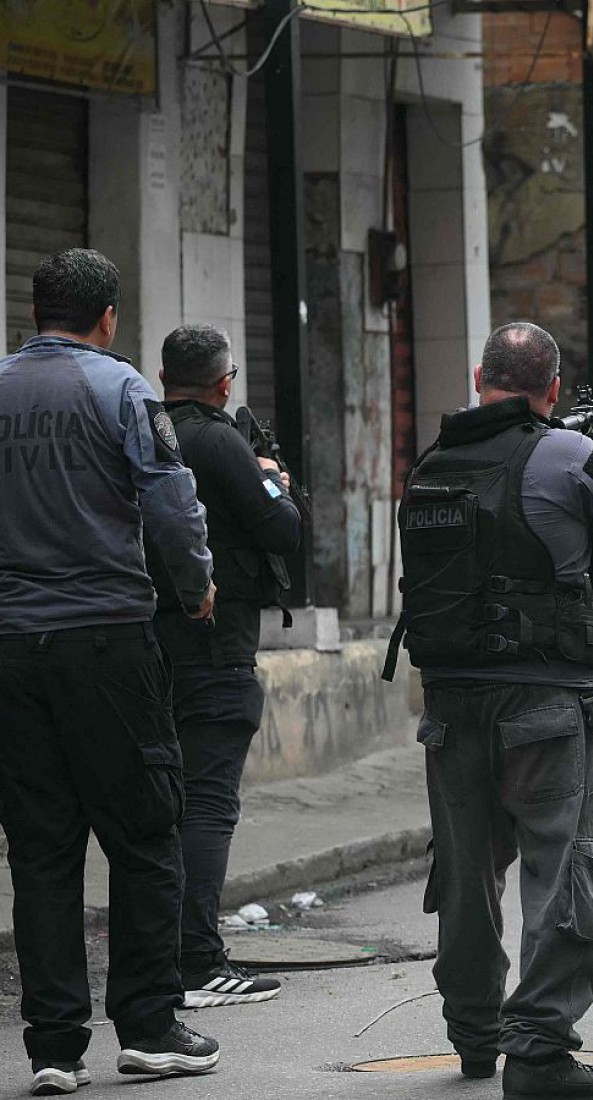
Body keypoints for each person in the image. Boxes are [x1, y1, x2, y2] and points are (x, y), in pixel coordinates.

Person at [387, 323, 593, 1100]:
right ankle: (537, 1051)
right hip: (544, 705)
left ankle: (474, 1036)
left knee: (468, 873)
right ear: (554, 388)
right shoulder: (570, 455)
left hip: (449, 706)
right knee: (566, 867)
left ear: (479, 379)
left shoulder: (430, 467)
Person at [0, 249, 221, 1095]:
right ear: (108, 317)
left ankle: (55, 1046)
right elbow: (170, 498)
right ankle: (150, 1023)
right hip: (107, 642)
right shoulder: (119, 387)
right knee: (144, 833)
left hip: (14, 651)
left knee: (42, 850)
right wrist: (196, 586)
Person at [147, 324, 302, 1008]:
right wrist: (272, 481)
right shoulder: (218, 439)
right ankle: (199, 961)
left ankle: (159, 955)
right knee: (208, 801)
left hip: (145, 645)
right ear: (223, 383)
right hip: (214, 643)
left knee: (161, 803)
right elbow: (285, 531)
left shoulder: (146, 430)